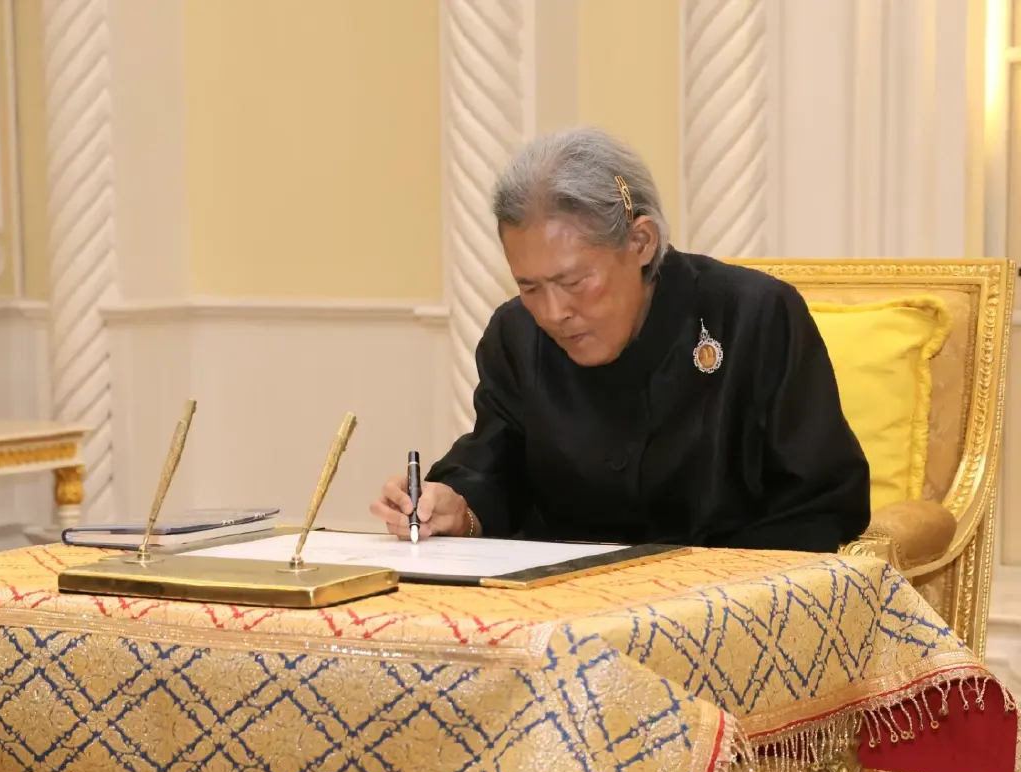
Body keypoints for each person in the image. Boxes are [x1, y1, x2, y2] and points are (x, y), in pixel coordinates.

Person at [371, 126, 870, 560]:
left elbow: (822, 502)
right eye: (529, 287)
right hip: (562, 619)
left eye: (572, 282)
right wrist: (457, 508)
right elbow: (493, 467)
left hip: (731, 616)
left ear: (640, 242)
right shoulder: (515, 336)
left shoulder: (755, 316)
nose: (552, 312)